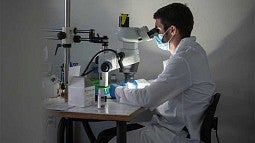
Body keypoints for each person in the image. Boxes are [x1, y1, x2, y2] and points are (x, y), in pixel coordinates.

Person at [98, 3, 215, 143]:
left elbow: (147, 98)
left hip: (173, 133)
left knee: (110, 140)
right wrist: (139, 83)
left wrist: (116, 91)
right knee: (105, 135)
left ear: (172, 30)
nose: (156, 36)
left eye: (158, 30)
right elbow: (166, 83)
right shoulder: (193, 52)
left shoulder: (183, 59)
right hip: (174, 126)